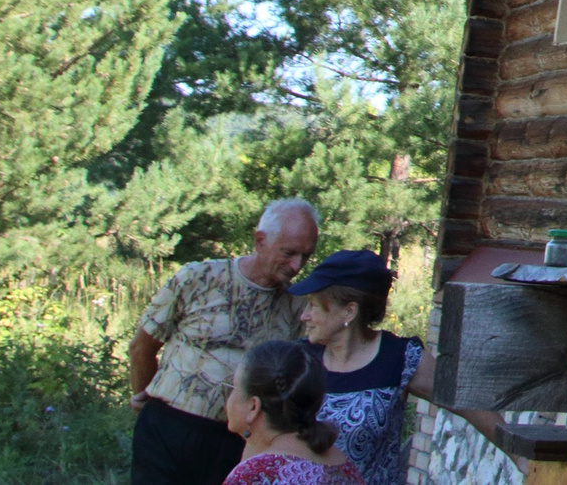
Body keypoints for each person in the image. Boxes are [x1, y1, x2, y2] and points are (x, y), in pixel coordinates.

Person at [130, 198, 321, 485]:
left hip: (238, 441)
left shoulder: (298, 306)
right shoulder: (198, 278)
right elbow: (142, 346)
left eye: (305, 257)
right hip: (168, 427)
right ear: (260, 241)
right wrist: (145, 397)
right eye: (289, 253)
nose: (296, 265)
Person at [294, 248, 487, 485]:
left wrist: (522, 457)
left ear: (349, 311)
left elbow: (467, 401)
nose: (304, 316)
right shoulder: (299, 361)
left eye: (313, 305)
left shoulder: (399, 359)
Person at [219, 339, 361, 485]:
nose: (229, 395)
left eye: (233, 387)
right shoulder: (343, 465)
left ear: (253, 407)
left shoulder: (254, 475)